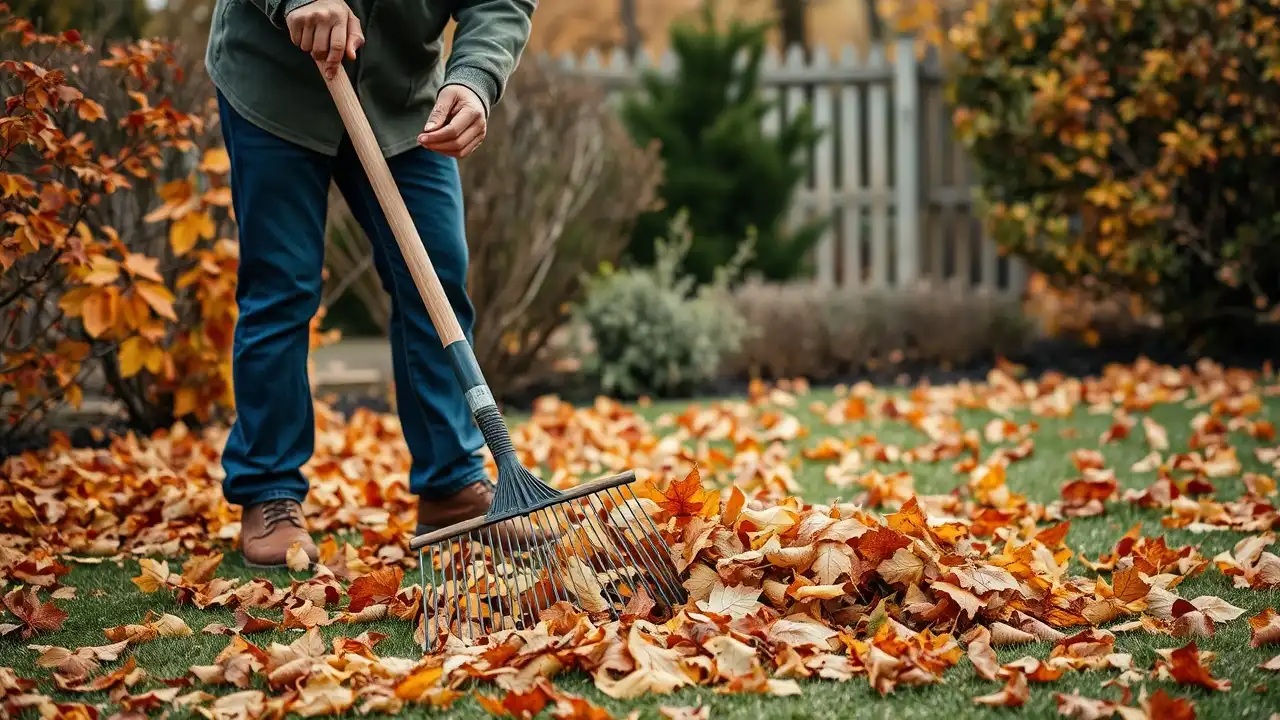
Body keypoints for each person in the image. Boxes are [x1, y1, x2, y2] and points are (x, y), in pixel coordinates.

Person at [205, 0, 536, 567]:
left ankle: (451, 482)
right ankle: (268, 489)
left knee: (437, 279)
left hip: (403, 103)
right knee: (281, 287)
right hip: (276, 85)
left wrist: (475, 78)